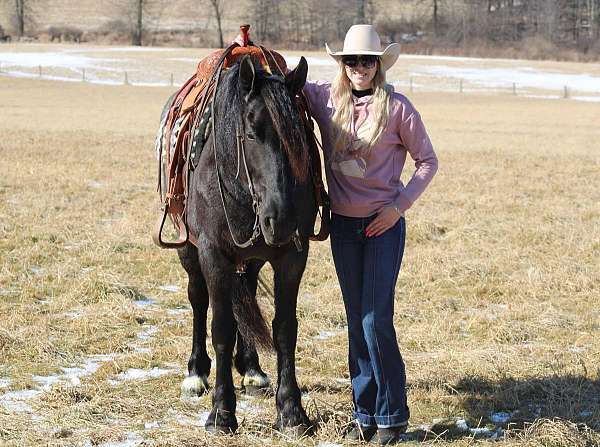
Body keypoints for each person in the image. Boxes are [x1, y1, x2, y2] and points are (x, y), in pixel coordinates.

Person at [303, 24, 438, 445]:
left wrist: (398, 208)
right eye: (351, 61)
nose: (359, 67)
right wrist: (245, 51)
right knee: (354, 322)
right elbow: (280, 80)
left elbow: (428, 162)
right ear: (342, 64)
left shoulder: (398, 109)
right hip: (343, 227)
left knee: (375, 319)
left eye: (367, 61)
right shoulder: (323, 98)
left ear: (378, 65)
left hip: (384, 227)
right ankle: (364, 413)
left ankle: (392, 415)